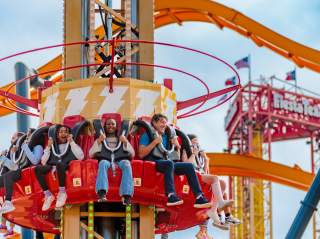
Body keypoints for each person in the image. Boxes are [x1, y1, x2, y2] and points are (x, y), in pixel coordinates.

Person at [138, 113, 211, 208]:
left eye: (165, 122)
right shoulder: (147, 135)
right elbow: (141, 154)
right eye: (161, 122)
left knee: (188, 166)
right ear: (154, 123)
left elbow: (175, 157)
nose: (164, 125)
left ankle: (199, 197)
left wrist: (177, 146)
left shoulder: (167, 136)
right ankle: (171, 195)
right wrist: (154, 142)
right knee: (169, 163)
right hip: (153, 161)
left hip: (167, 163)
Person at [185, 134, 239, 233]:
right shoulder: (186, 151)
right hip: (191, 177)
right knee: (215, 179)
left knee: (222, 184)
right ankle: (217, 211)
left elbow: (205, 173)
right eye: (194, 142)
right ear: (189, 142)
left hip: (200, 177)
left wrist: (206, 160)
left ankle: (223, 215)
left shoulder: (199, 157)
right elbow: (186, 165)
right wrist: (193, 154)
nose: (197, 144)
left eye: (198, 142)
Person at [35, 125, 84, 211]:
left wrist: (72, 142)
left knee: (60, 164)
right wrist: (48, 147)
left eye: (65, 132)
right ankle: (48, 195)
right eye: (61, 132)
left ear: (69, 134)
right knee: (37, 169)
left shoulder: (72, 144)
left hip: (66, 166)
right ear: (57, 135)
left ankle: (62, 192)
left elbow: (81, 156)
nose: (63, 133)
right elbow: (43, 161)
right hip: (54, 166)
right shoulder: (54, 146)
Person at [89, 118, 134, 205]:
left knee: (127, 164)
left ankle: (127, 195)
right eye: (108, 124)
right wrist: (99, 141)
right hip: (107, 160)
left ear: (116, 127)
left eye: (113, 124)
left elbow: (132, 153)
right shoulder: (101, 139)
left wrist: (125, 142)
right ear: (104, 127)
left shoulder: (121, 138)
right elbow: (90, 154)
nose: (110, 126)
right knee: (102, 163)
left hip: (119, 160)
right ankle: (101, 192)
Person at [0, 128, 43, 214]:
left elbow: (34, 161)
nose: (27, 137)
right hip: (19, 171)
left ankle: (8, 202)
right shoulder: (18, 151)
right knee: (3, 177)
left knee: (8, 175)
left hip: (28, 172)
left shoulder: (37, 147)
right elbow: (14, 165)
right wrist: (8, 155)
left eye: (28, 135)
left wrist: (25, 147)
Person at [0, 132, 24, 237]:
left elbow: (14, 166)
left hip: (16, 177)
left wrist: (2, 158)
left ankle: (7, 225)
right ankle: (4, 225)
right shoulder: (10, 150)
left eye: (13, 137)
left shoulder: (19, 150)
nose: (11, 139)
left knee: (9, 201)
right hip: (7, 179)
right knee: (4, 203)